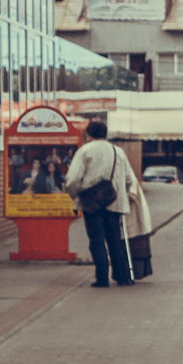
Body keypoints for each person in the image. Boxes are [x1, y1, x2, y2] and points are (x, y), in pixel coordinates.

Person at [63, 119, 134, 288]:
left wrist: (75, 196)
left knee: (96, 240)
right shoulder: (118, 152)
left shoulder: (85, 151)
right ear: (105, 134)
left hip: (92, 203)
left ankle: (102, 278)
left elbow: (73, 179)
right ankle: (122, 277)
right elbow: (129, 179)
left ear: (89, 134)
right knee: (114, 239)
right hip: (114, 202)